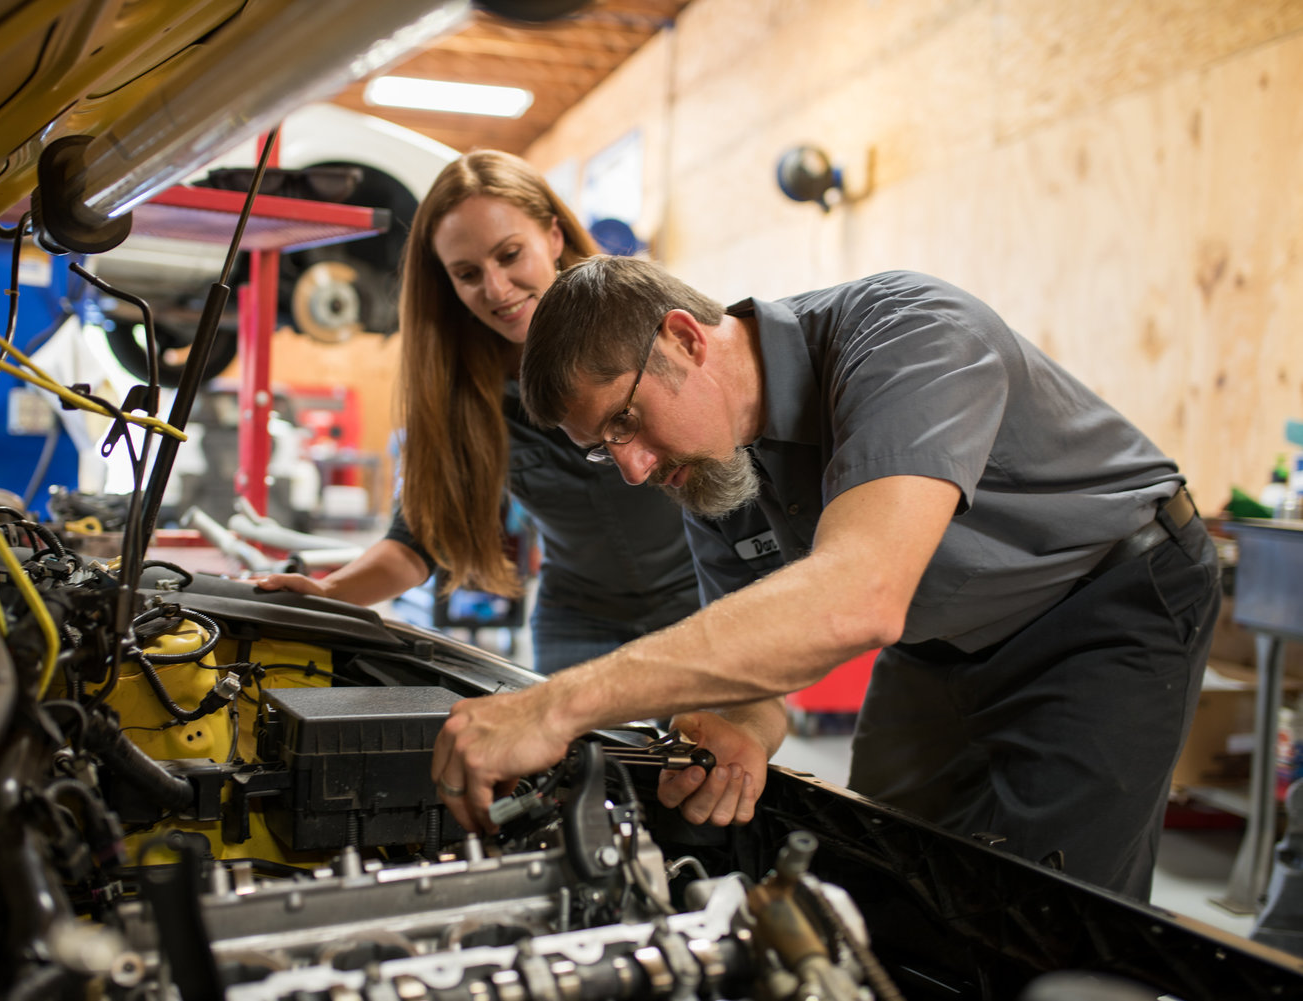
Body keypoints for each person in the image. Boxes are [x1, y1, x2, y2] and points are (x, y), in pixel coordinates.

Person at [430, 256, 1220, 900]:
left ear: (685, 339)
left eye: (626, 420)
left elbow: (858, 598)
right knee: (876, 873)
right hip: (942, 640)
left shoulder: (909, 336)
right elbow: (754, 684)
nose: (631, 470)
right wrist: (741, 727)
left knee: (1048, 913)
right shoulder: (715, 476)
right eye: (605, 447)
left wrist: (556, 704)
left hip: (1107, 600)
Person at [255, 153, 700, 674]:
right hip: (579, 616)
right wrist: (330, 592)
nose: (495, 288)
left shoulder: (652, 329)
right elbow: (418, 538)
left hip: (704, 598)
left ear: (553, 237)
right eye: (467, 274)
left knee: (703, 754)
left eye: (510, 254)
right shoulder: (462, 388)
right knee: (573, 756)